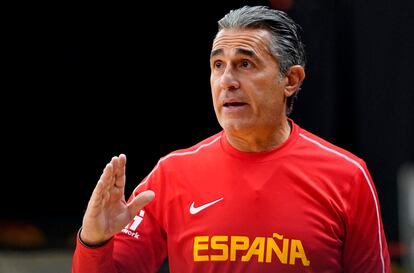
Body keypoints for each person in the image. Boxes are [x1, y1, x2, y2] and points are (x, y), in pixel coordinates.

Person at [72, 5, 391, 273]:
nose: (227, 81)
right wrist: (94, 240)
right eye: (218, 65)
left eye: (245, 64)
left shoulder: (348, 175)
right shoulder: (172, 174)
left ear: (290, 80)